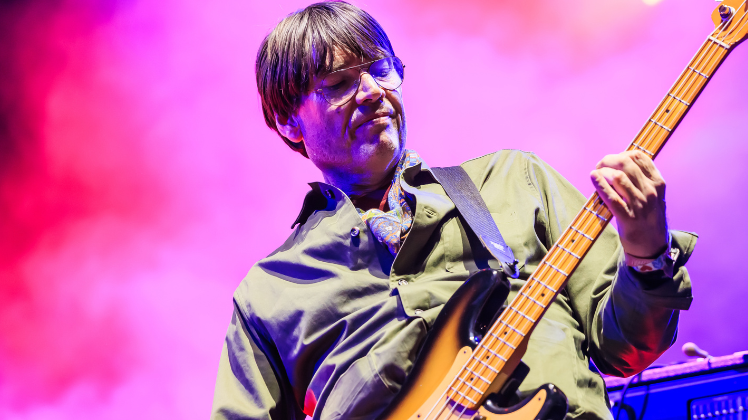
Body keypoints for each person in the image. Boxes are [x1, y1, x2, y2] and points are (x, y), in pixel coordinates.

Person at [212, 2, 696, 419]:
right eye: (338, 83)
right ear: (287, 120)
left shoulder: (513, 180)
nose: (373, 92)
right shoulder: (268, 293)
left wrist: (645, 252)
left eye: (381, 69)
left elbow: (628, 349)